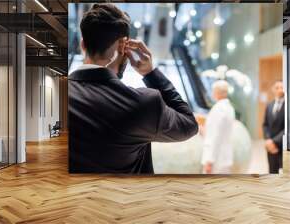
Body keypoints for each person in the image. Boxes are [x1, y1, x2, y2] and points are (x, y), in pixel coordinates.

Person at [68, 3, 198, 174]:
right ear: (123, 46)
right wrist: (150, 73)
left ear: (83, 45)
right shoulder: (143, 104)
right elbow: (189, 125)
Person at [201, 80, 235, 174]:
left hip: (216, 160)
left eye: (213, 90)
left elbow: (215, 136)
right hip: (225, 158)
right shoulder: (229, 108)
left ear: (217, 92)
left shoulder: (218, 109)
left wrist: (209, 161)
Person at [263, 80, 285, 174]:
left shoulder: (289, 106)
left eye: (282, 87)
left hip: (282, 145)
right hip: (270, 146)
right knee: (272, 172)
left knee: (283, 173)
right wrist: (268, 140)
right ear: (273, 90)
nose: (280, 90)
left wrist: (274, 141)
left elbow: (287, 128)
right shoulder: (269, 105)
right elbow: (265, 124)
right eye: (277, 87)